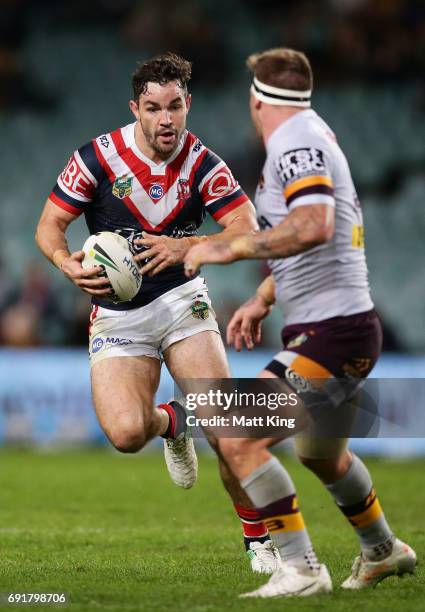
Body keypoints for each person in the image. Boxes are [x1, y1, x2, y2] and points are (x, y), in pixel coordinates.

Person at [35, 52, 283, 575]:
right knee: (126, 435)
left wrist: (187, 245)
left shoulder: (203, 164)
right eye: (153, 108)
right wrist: (64, 264)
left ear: (188, 105)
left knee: (227, 427)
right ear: (136, 108)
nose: (165, 119)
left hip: (182, 302)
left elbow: (247, 229)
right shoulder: (97, 158)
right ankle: (172, 422)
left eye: (175, 106)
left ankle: (258, 539)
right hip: (117, 312)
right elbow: (49, 227)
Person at [184, 47, 417, 597]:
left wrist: (224, 248)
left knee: (234, 432)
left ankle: (301, 568)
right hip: (345, 326)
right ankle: (384, 550)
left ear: (257, 100)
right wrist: (266, 294)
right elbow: (318, 235)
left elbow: (313, 226)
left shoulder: (296, 142)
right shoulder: (312, 134)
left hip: (332, 332)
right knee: (321, 453)